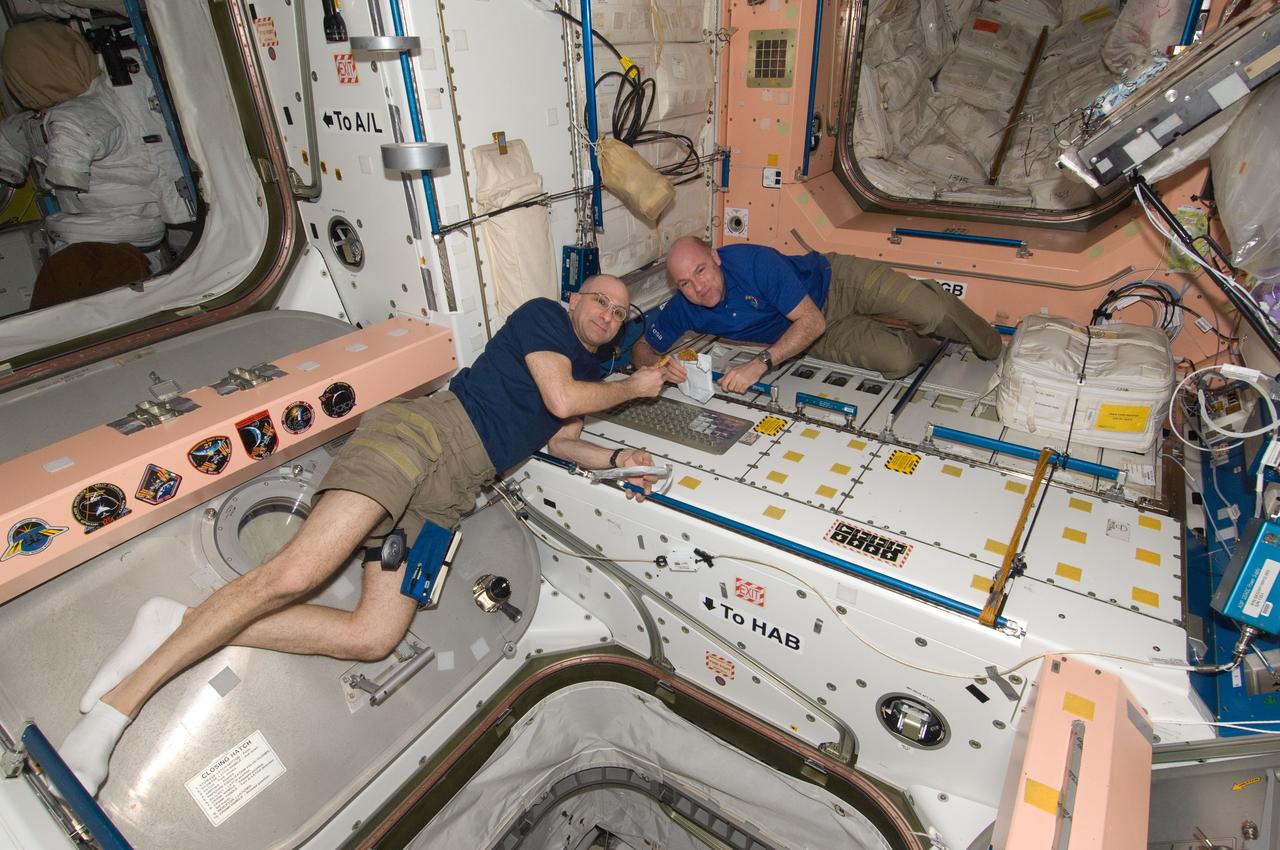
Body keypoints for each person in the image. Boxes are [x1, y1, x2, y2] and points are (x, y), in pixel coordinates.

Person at [60, 275, 680, 795]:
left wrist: (620, 457)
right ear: (575, 299)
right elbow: (560, 394)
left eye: (620, 312)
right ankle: (115, 713)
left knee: (373, 636)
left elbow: (561, 436)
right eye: (601, 300)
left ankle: (178, 622)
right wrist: (637, 385)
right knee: (297, 573)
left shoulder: (591, 369)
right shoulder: (545, 320)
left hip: (450, 497)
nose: (608, 313)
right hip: (423, 436)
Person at [632, 237, 1003, 389]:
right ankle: (932, 343)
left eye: (701, 271)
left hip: (836, 282)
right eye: (684, 283)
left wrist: (758, 364)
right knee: (898, 360)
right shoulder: (685, 306)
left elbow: (812, 318)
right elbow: (642, 348)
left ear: (715, 258)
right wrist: (657, 365)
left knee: (932, 310)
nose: (698, 288)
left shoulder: (754, 263)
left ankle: (993, 348)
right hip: (809, 334)